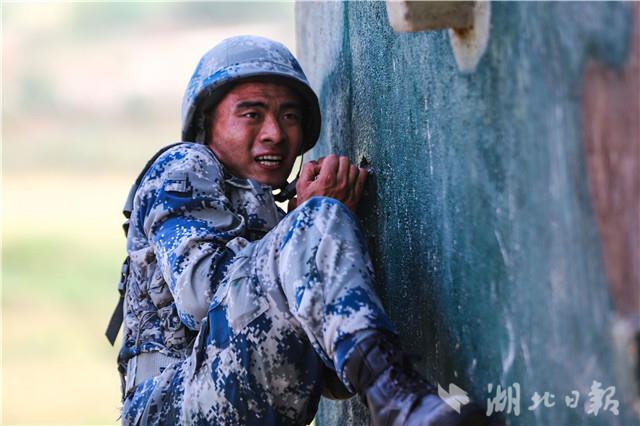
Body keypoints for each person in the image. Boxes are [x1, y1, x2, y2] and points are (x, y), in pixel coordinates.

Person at [114, 35, 489, 426]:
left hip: (239, 404)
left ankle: (398, 399)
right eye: (251, 114)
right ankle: (400, 401)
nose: (275, 132)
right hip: (168, 408)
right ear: (208, 123)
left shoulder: (269, 213)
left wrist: (305, 235)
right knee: (317, 218)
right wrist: (306, 222)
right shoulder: (184, 164)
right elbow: (200, 297)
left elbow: (325, 380)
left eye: (290, 116)